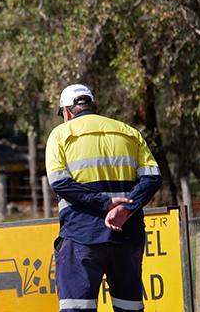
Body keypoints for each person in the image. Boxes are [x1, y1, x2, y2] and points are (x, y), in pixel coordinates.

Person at [45, 84, 162, 312]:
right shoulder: (129, 132)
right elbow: (152, 178)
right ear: (94, 106)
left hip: (82, 236)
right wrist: (125, 209)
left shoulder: (60, 135)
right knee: (129, 308)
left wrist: (105, 203)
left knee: (77, 308)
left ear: (66, 111)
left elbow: (59, 183)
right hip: (127, 236)